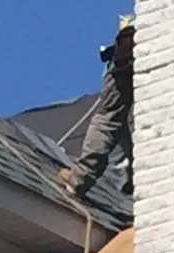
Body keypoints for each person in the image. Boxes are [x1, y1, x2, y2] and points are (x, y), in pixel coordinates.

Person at [58, 15, 135, 197]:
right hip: (136, 44)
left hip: (132, 45)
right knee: (115, 121)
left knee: (108, 120)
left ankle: (80, 177)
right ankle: (130, 178)